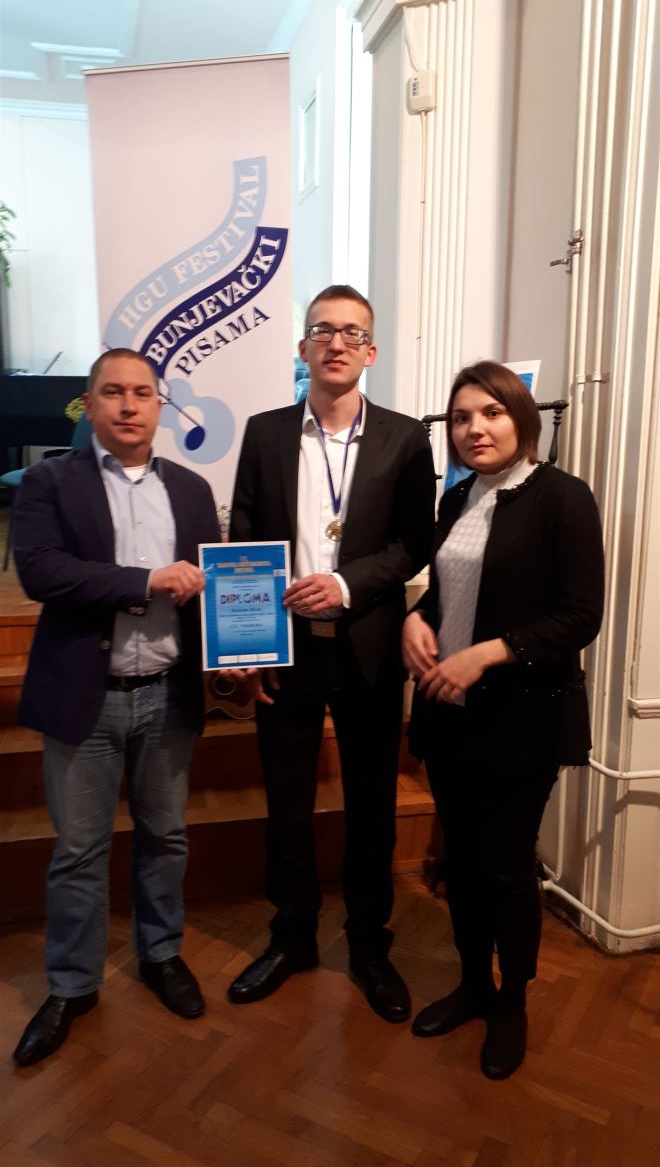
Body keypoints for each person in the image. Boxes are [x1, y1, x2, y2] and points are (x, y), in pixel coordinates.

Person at [226, 285, 436, 1021]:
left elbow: (415, 543)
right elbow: (244, 539)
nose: (337, 342)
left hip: (367, 650)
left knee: (372, 805)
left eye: (352, 332)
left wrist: (346, 584)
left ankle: (370, 944)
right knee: (287, 803)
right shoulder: (265, 433)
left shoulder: (406, 438)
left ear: (370, 351)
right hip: (283, 650)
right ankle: (291, 937)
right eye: (323, 330)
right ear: (303, 346)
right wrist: (245, 642)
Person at [12, 348, 219, 1067]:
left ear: (161, 405)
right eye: (113, 392)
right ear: (90, 404)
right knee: (78, 852)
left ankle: (161, 954)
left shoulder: (192, 490)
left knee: (167, 837)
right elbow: (41, 572)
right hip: (85, 697)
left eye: (142, 393)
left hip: (168, 694)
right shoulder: (48, 482)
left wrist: (244, 648)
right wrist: (144, 580)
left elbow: (215, 585)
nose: (129, 405)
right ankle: (72, 985)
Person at [403, 360, 604, 1079]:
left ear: (522, 416)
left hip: (522, 718)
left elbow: (580, 616)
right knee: (460, 860)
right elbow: (447, 593)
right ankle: (472, 985)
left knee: (509, 865)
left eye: (490, 412)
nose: (474, 428)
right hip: (450, 712)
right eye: (461, 417)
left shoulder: (562, 497)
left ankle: (511, 1000)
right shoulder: (458, 498)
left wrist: (487, 653)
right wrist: (415, 620)